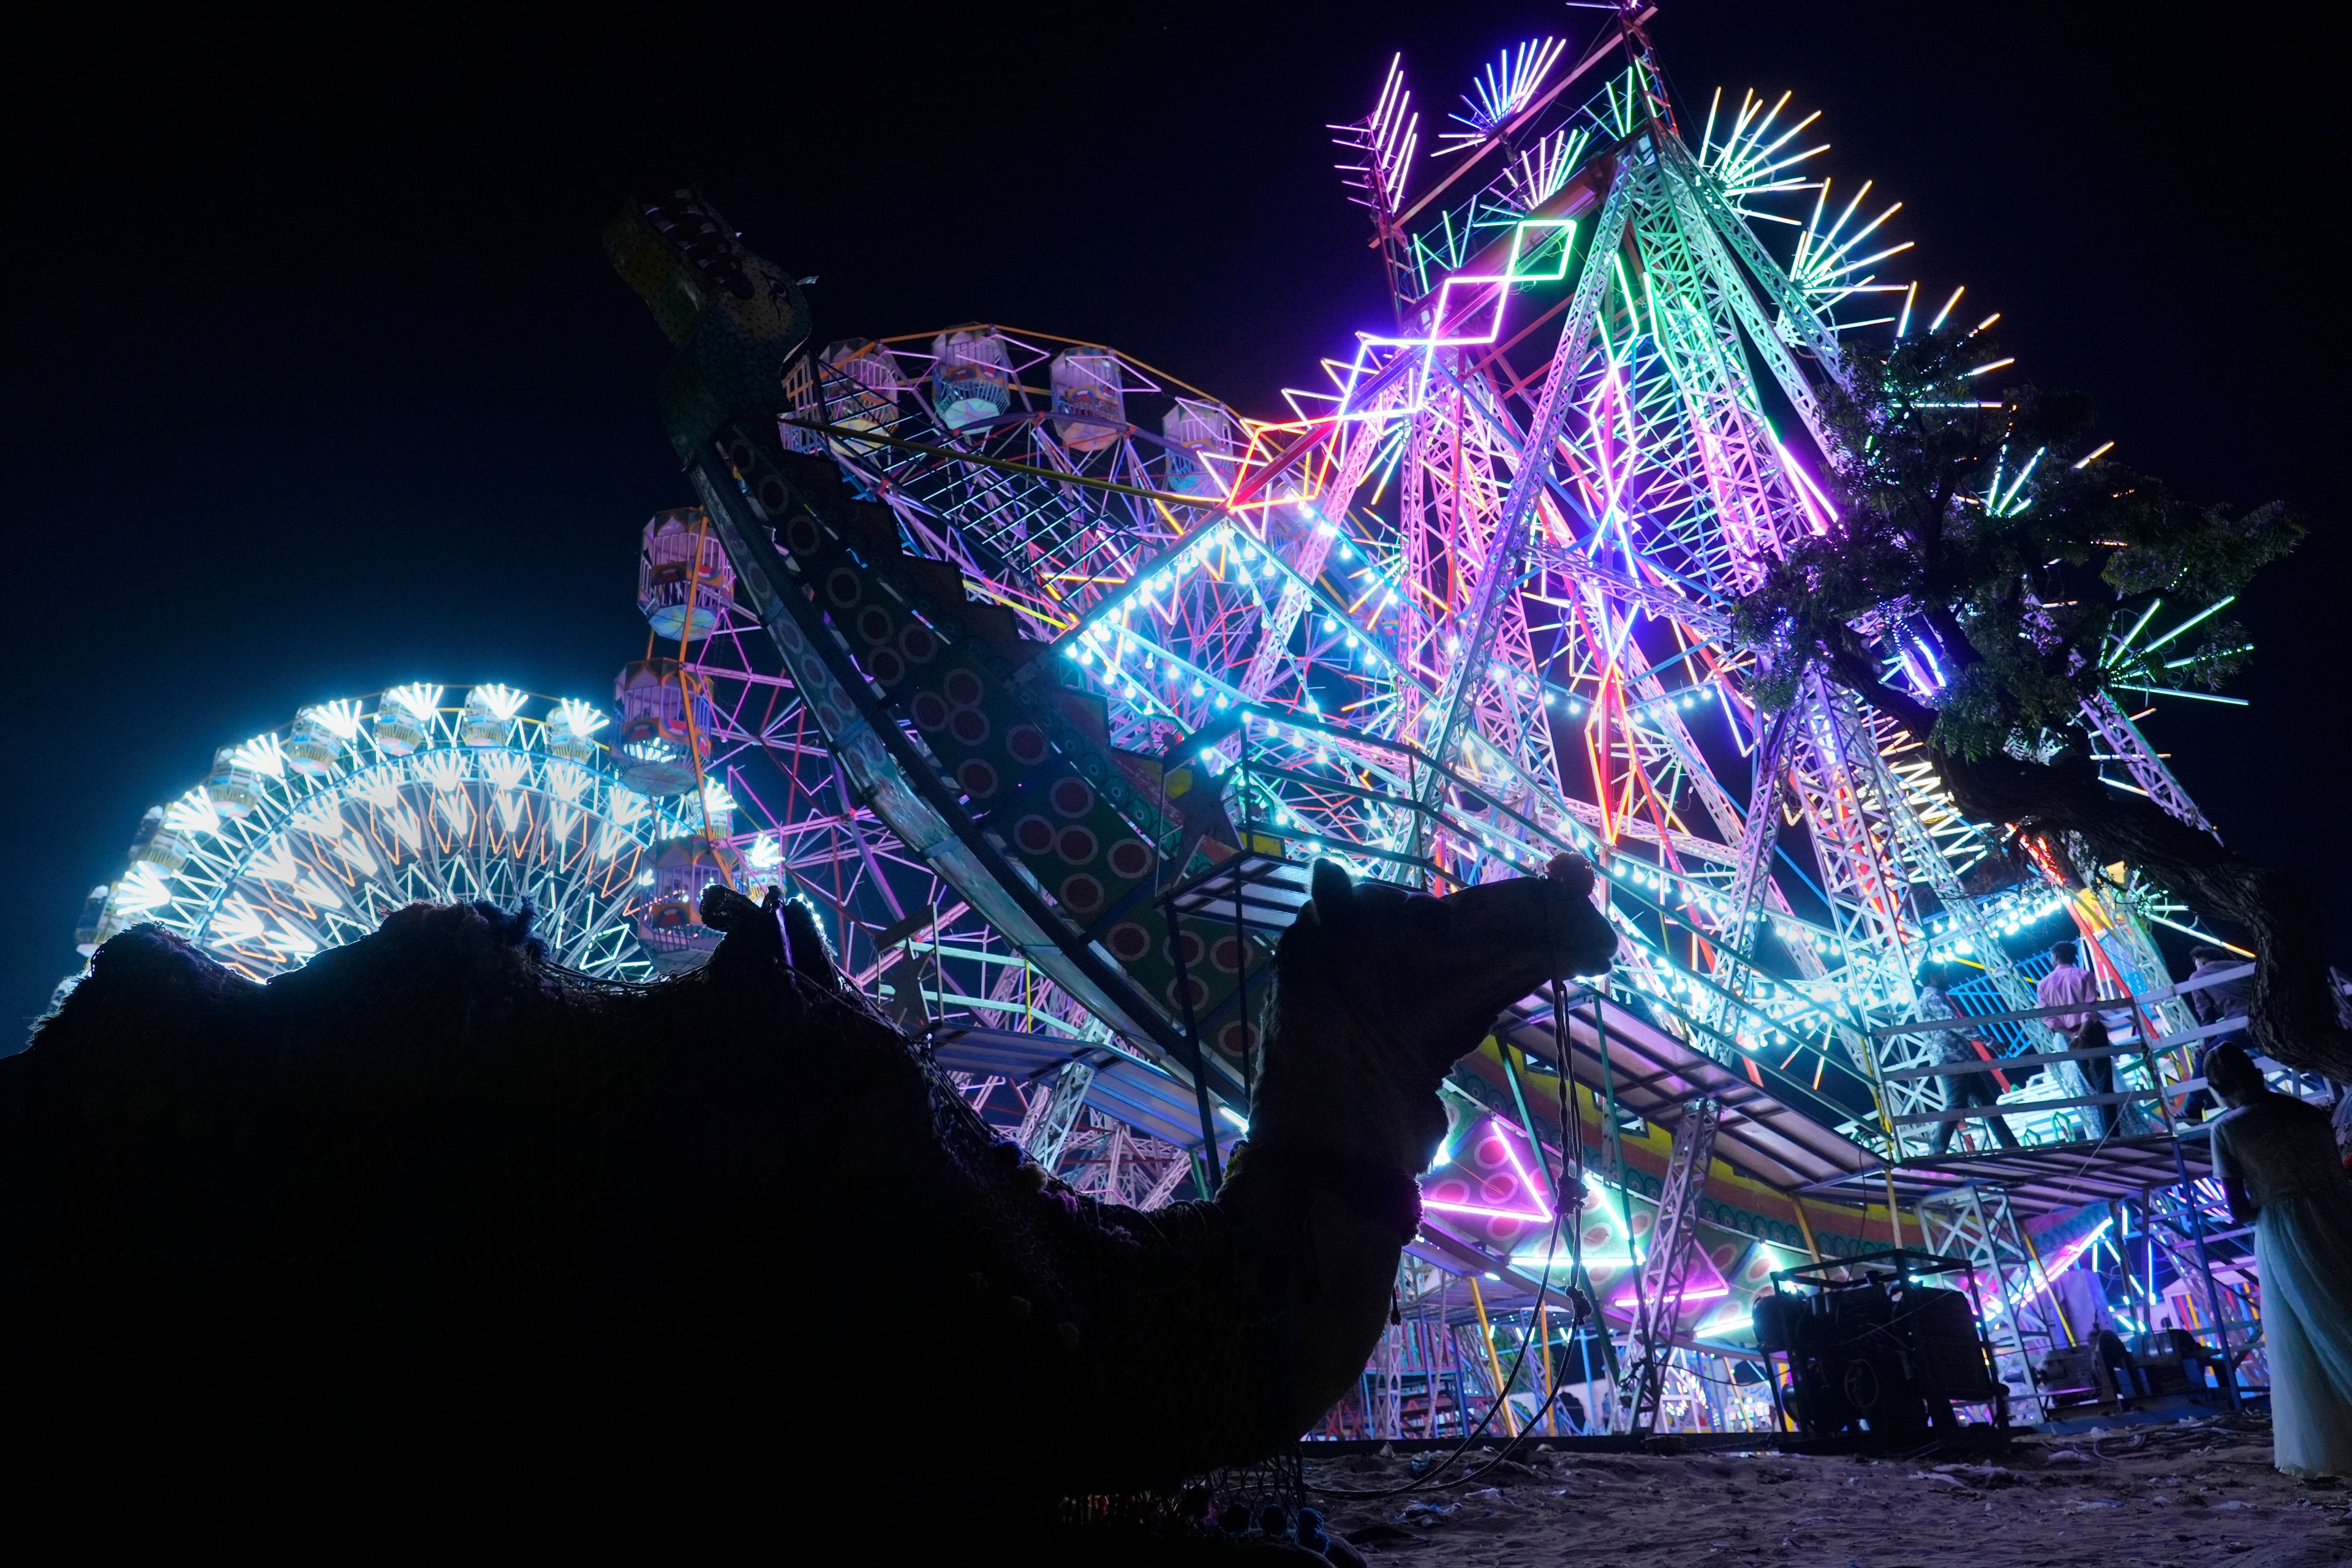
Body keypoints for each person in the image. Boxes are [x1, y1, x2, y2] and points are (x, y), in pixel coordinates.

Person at [2208, 1043, 2352, 1477]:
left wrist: (2274, 1204)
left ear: (2219, 1086)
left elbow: (2237, 1209)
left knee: (2309, 1333)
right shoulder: (2306, 1112)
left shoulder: (2228, 1129)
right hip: (2341, 1210)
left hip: (2286, 1229)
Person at [1916, 978, 2018, 1155]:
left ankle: (2012, 1148)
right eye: (1943, 973)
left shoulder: (1931, 997)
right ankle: (1936, 1151)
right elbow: (1954, 1023)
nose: (1947, 975)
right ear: (1933, 977)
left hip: (1960, 1059)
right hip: (1952, 1058)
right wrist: (1988, 1040)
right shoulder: (1932, 997)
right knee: (1957, 1104)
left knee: (1986, 1105)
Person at [2038, 940, 2118, 1139]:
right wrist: (2082, 1033)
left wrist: (2072, 1036)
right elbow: (2090, 1009)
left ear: (2055, 957)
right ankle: (2113, 1134)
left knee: (2091, 1084)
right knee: (2103, 1083)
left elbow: (2048, 1018)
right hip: (2092, 1032)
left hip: (2070, 1037)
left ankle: (2103, 1132)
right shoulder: (2084, 976)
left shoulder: (2044, 984)